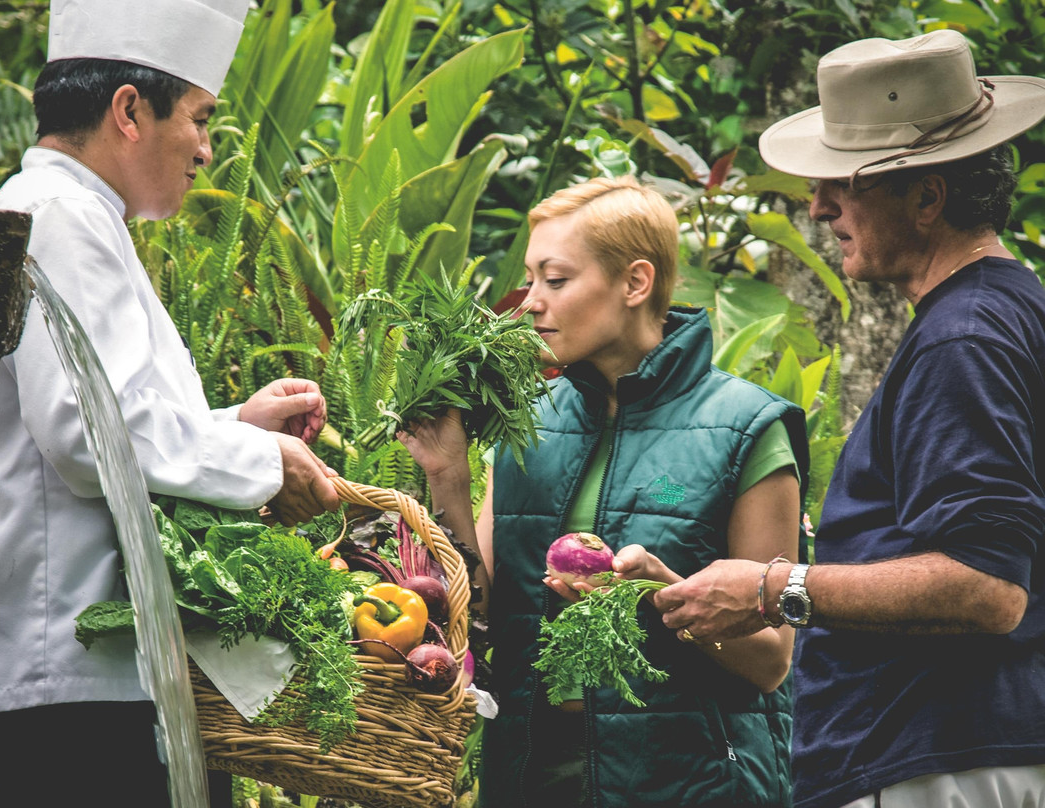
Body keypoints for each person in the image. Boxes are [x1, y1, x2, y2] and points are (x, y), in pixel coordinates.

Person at [650, 30, 1045, 808]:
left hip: (935, 758)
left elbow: (988, 588)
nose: (819, 205)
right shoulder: (1007, 308)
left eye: (846, 183)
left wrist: (774, 587)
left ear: (928, 197)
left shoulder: (963, 339)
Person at [0, 2, 340, 806]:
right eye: (201, 118)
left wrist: (232, 427)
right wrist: (261, 461)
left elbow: (99, 418)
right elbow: (84, 433)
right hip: (81, 674)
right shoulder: (59, 215)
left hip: (101, 666)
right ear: (130, 111)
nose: (206, 147)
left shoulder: (76, 213)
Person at [399, 175, 810, 808]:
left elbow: (770, 660)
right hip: (533, 775)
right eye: (531, 280)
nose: (531, 302)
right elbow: (478, 613)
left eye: (555, 280)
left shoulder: (746, 430)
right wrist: (447, 477)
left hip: (689, 783)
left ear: (635, 283)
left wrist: (655, 594)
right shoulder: (529, 420)